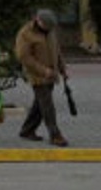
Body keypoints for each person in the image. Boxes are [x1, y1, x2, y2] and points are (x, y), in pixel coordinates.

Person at [14, 8, 69, 147]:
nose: (49, 29)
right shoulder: (25, 33)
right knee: (47, 105)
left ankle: (27, 130)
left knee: (40, 104)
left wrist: (62, 68)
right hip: (37, 75)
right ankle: (55, 135)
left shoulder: (50, 31)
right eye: (46, 26)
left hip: (51, 73)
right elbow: (24, 57)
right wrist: (44, 71)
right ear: (38, 21)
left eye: (51, 27)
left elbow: (57, 50)